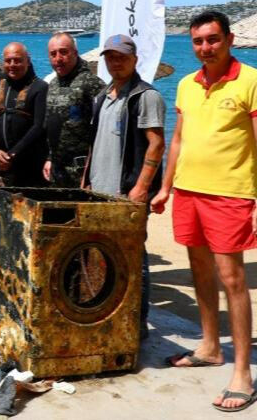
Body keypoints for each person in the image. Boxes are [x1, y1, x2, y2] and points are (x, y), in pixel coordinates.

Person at [151, 11, 257, 412]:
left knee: (232, 278)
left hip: (230, 195)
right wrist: (166, 186)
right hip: (188, 191)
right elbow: (179, 140)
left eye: (212, 39)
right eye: (198, 41)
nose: (205, 47)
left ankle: (242, 373)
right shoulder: (187, 85)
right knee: (199, 270)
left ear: (229, 38)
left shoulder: (254, 81)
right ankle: (209, 347)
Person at [84, 34, 166, 339]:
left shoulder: (146, 96)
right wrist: (86, 181)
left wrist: (142, 187)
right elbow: (95, 143)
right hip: (99, 190)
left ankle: (138, 322)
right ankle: (110, 313)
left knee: (133, 257)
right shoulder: (103, 96)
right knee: (104, 255)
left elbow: (156, 144)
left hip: (128, 191)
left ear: (134, 60)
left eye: (120, 57)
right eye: (110, 57)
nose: (114, 62)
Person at [42, 32, 105, 187]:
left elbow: (103, 131)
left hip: (82, 172)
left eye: (64, 52)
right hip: (57, 170)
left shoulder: (92, 84)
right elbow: (53, 127)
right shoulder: (53, 84)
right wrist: (50, 158)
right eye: (53, 54)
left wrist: (92, 173)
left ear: (75, 53)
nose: (58, 58)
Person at [0, 42, 49, 189]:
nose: (12, 64)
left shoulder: (40, 87)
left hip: (29, 164)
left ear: (28, 61)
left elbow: (38, 126)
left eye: (18, 60)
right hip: (0, 163)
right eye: (8, 61)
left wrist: (12, 154)